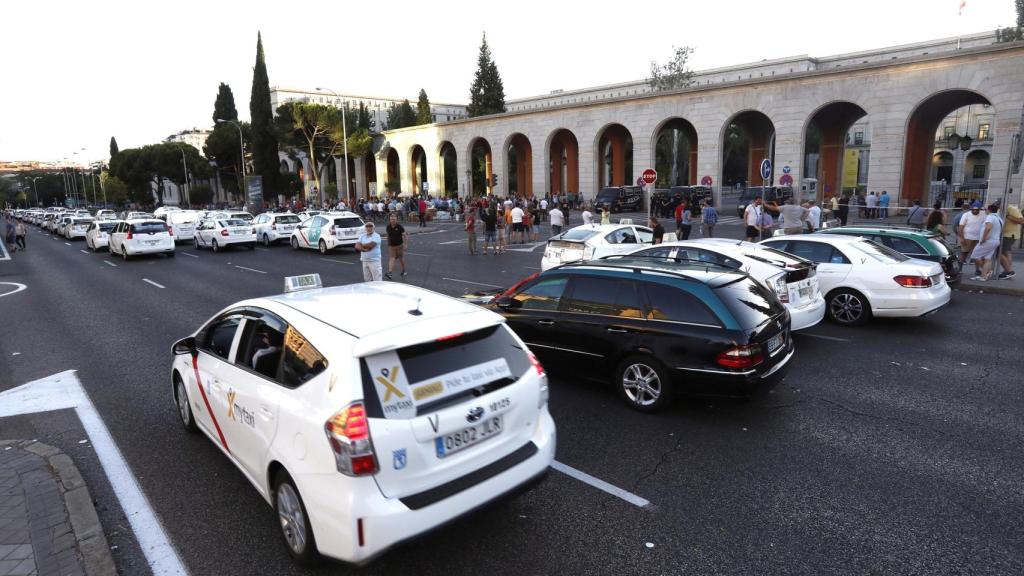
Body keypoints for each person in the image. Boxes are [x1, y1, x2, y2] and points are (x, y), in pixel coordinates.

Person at [970, 204, 1003, 281]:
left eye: (986, 210)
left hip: (988, 241)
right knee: (987, 259)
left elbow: (988, 228)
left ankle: (988, 271)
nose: (985, 211)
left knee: (975, 257)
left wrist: (984, 238)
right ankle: (983, 276)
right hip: (995, 240)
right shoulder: (999, 218)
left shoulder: (990, 217)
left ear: (989, 210)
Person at [958, 201, 986, 275]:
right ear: (971, 209)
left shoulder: (983, 214)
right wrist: (962, 238)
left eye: (977, 210)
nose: (975, 211)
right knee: (964, 253)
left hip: (978, 238)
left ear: (980, 209)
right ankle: (959, 269)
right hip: (967, 237)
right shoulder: (966, 215)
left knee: (977, 255)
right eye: (973, 209)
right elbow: (961, 227)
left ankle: (977, 270)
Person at [998, 200, 1022, 279]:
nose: (998, 207)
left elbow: (1021, 221)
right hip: (1004, 234)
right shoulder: (1000, 209)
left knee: (1000, 252)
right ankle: (1007, 270)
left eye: (999, 205)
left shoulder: (1012, 209)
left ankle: (1009, 271)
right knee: (1006, 252)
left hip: (1010, 234)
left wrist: (1007, 216)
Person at [384, 213, 408, 280]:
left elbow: (405, 235)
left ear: (396, 219)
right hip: (391, 246)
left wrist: (405, 245)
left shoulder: (399, 227)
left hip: (399, 246)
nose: (393, 220)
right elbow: (388, 235)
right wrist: (388, 243)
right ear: (389, 219)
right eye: (391, 219)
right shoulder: (388, 226)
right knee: (392, 258)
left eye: (394, 219)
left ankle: (403, 270)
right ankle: (390, 273)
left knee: (401, 259)